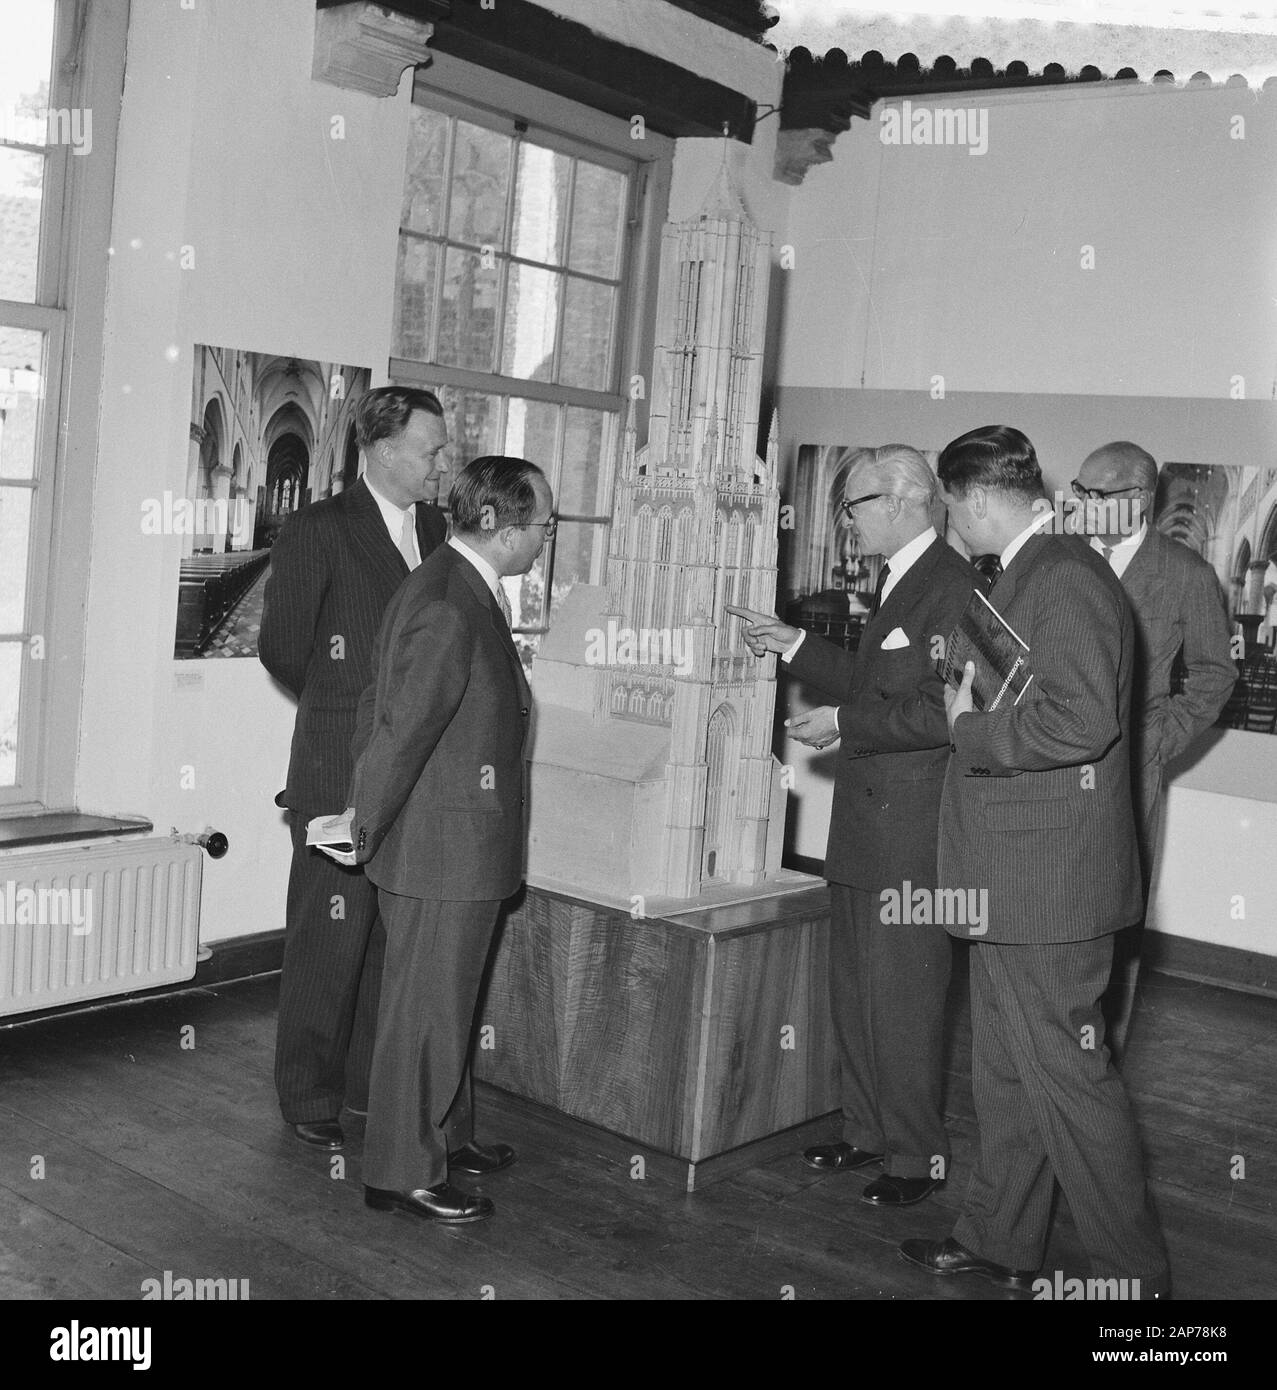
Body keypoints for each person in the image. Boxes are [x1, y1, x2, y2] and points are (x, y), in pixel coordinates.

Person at [900, 425, 1170, 1298]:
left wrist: (965, 727)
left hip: (1045, 885)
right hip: (1011, 876)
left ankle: (1134, 1286)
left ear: (977, 498)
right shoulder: (1027, 573)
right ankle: (1000, 1239)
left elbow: (1082, 721)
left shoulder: (1059, 576)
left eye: (949, 508)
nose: (950, 526)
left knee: (1071, 1085)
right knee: (1008, 1072)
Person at [734, 446, 979, 1207]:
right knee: (857, 989)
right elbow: (883, 680)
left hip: (910, 835)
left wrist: (845, 720)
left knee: (904, 998)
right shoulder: (901, 579)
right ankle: (866, 1130)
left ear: (906, 499)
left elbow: (942, 711)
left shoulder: (951, 586)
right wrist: (795, 644)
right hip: (865, 830)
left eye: (855, 505)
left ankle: (914, 1157)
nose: (845, 523)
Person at [348, 456, 553, 1224]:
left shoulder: (454, 584)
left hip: (452, 841)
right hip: (442, 849)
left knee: (447, 1001)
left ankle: (445, 1136)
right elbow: (403, 726)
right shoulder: (448, 601)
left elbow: (384, 702)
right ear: (499, 527)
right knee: (424, 1012)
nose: (545, 541)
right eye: (541, 527)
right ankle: (399, 1172)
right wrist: (360, 822)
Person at [258, 386, 449, 1151]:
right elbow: (283, 649)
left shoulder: (439, 530)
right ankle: (307, 1096)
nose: (442, 463)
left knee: (388, 940)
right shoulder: (318, 529)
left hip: (416, 774)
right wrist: (352, 713)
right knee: (328, 935)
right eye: (430, 449)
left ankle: (372, 1091)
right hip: (339, 769)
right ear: (380, 448)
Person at [1074, 442, 1235, 1059]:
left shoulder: (1185, 575)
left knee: (1117, 911)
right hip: (1051, 763)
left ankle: (1101, 1056)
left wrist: (1158, 739)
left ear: (1138, 498)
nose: (1079, 505)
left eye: (1094, 495)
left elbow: (1215, 675)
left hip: (1129, 771)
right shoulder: (1062, 561)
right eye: (1079, 493)